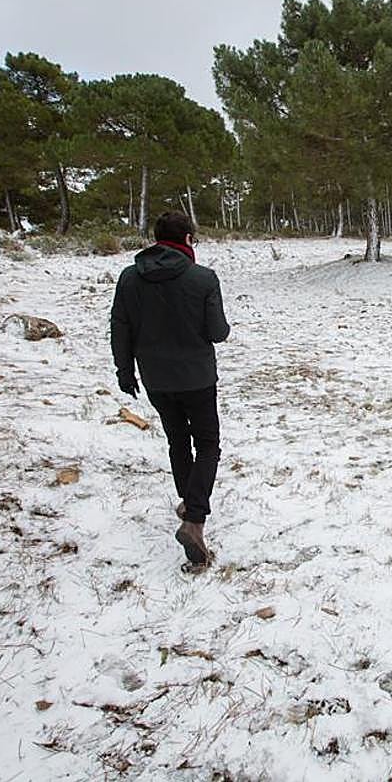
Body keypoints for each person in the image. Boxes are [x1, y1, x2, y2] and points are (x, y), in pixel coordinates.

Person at [110, 211, 230, 569]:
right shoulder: (203, 278)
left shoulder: (130, 278)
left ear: (155, 237)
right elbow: (218, 332)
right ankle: (194, 520)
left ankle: (188, 503)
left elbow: (120, 326)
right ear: (189, 239)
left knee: (178, 441)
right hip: (197, 377)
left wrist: (124, 369)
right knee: (207, 444)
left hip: (156, 379)